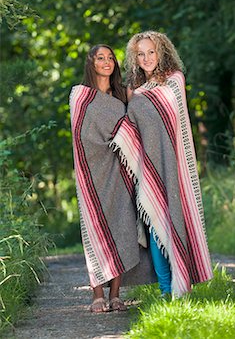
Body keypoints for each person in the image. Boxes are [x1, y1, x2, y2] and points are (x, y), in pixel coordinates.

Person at [110, 31, 213, 297]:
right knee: (154, 226)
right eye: (140, 54)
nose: (146, 58)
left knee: (172, 222)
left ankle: (181, 286)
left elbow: (174, 123)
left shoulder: (174, 81)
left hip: (172, 165)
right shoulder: (134, 90)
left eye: (151, 52)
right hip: (146, 168)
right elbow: (131, 127)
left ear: (162, 52)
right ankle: (167, 291)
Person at [70, 44, 154, 313]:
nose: (106, 62)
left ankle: (116, 294)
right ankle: (97, 295)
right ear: (91, 63)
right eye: (100, 58)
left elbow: (132, 130)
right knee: (94, 229)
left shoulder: (121, 96)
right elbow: (80, 137)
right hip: (93, 172)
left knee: (122, 227)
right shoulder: (80, 96)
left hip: (121, 172)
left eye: (110, 58)